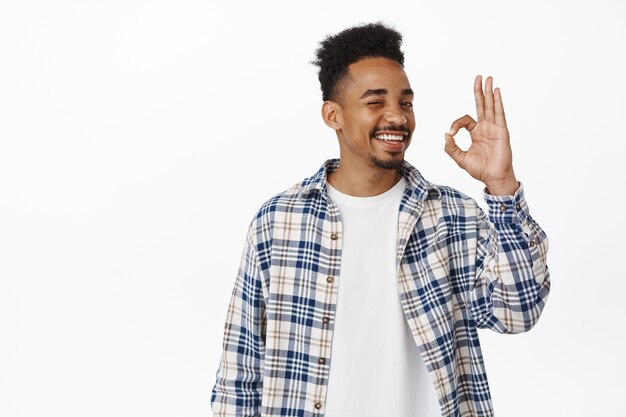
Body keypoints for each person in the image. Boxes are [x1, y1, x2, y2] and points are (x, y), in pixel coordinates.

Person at [210, 22, 550, 417]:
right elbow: (240, 372)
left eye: (405, 102)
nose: (397, 117)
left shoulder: (452, 216)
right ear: (332, 114)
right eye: (376, 102)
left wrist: (502, 185)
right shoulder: (279, 222)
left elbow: (517, 312)